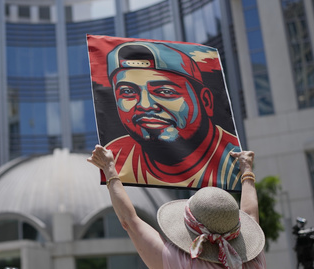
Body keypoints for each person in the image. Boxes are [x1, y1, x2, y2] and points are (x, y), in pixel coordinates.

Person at [87, 146, 266, 269]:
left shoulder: (180, 263)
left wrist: (109, 167)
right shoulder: (253, 261)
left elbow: (129, 221)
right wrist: (246, 169)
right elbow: (250, 214)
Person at [104, 41, 240, 189]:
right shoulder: (115, 156)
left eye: (165, 91)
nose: (145, 105)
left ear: (205, 101)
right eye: (127, 92)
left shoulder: (234, 161)